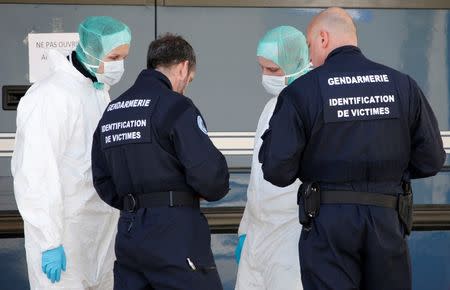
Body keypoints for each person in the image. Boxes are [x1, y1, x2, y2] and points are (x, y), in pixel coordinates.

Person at [259, 7, 445, 290]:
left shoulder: (302, 91)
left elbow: (276, 169)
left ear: (323, 38)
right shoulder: (402, 85)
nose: (309, 57)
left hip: (328, 225)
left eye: (310, 46)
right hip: (387, 218)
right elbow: (432, 159)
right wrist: (389, 174)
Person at [91, 33, 229, 290]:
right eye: (189, 79)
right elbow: (211, 178)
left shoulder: (112, 112)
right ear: (183, 66)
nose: (186, 85)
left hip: (129, 234)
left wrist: (137, 204)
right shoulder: (176, 107)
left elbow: (101, 179)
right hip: (175, 234)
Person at [11, 16, 131, 289]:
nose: (119, 65)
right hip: (64, 241)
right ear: (90, 52)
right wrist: (49, 240)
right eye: (114, 56)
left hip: (98, 239)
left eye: (124, 57)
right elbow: (35, 172)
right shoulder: (49, 96)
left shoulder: (98, 93)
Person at [235, 26, 309, 290]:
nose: (265, 76)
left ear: (296, 62)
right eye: (262, 68)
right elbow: (257, 177)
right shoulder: (271, 107)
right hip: (258, 234)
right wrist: (245, 230)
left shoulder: (310, 105)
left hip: (291, 236)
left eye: (274, 70)